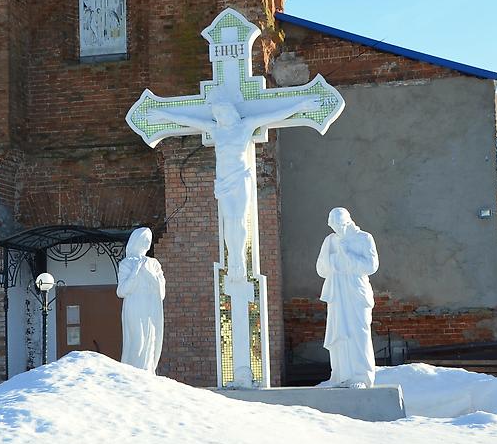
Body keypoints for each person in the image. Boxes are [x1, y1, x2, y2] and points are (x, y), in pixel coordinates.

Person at [151, 89, 318, 280]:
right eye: (217, 115)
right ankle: (233, 258)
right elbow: (187, 120)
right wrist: (163, 115)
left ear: (229, 111)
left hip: (240, 179)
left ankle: (240, 257)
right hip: (223, 181)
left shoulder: (245, 126)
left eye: (221, 113)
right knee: (228, 220)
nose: (219, 118)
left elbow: (274, 115)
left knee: (239, 219)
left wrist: (300, 106)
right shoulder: (216, 129)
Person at [316, 207, 379, 388]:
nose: (336, 230)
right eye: (333, 226)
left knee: (359, 332)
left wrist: (348, 255)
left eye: (339, 225)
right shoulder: (330, 241)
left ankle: (361, 377)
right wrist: (334, 260)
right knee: (340, 333)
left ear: (348, 222)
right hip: (337, 291)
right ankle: (340, 376)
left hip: (356, 290)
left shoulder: (364, 238)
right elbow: (321, 269)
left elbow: (371, 266)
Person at [116, 227, 166, 373]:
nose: (147, 243)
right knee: (138, 340)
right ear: (136, 241)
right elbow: (122, 291)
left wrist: (147, 273)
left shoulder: (154, 263)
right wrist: (136, 271)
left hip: (150, 307)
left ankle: (147, 372)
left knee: (151, 339)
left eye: (149, 240)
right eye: (144, 239)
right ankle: (134, 373)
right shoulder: (126, 263)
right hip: (135, 307)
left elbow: (161, 290)